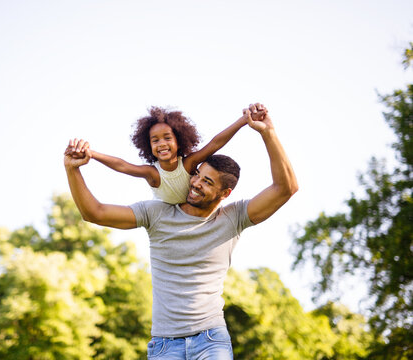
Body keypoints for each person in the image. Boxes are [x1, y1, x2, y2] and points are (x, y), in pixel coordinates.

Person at [64, 103, 298, 359]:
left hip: (211, 339)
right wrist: (72, 169)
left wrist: (268, 132)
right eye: (198, 175)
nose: (196, 183)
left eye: (207, 182)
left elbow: (285, 188)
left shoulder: (234, 217)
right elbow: (94, 212)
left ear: (224, 194)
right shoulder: (157, 213)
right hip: (165, 344)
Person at [89, 106, 266, 204]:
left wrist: (244, 120)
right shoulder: (153, 174)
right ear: (148, 145)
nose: (162, 144)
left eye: (167, 138)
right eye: (155, 140)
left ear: (179, 141)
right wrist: (92, 154)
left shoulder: (188, 164)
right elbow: (123, 165)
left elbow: (215, 143)